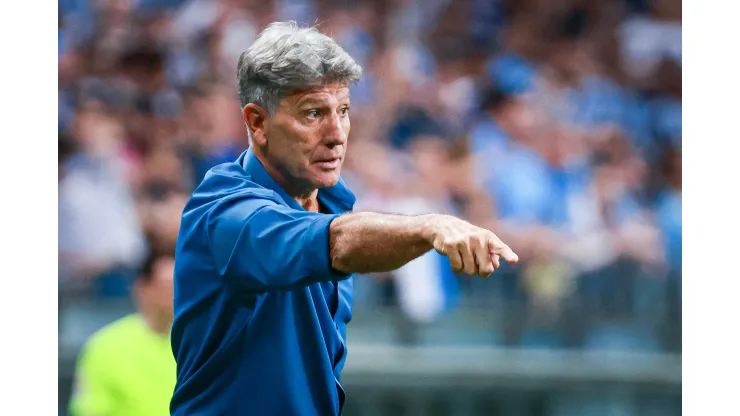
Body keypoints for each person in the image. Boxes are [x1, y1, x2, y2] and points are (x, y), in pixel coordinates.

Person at [170, 21, 519, 416]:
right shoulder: (223, 210)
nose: (337, 134)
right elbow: (336, 242)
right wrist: (429, 226)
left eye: (344, 110)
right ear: (257, 123)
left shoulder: (335, 201)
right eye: (313, 113)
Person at [68, 250, 176, 416]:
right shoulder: (105, 346)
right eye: (167, 286)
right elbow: (89, 409)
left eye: (181, 285)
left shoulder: (202, 343)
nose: (175, 294)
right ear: (142, 288)